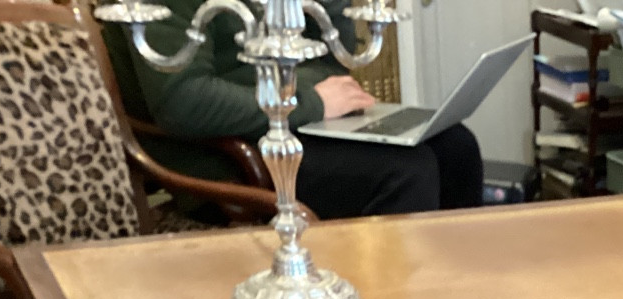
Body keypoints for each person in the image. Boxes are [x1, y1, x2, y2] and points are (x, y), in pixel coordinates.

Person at [103, 0, 484, 219]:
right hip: (223, 152)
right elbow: (183, 101)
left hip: (292, 121)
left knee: (455, 147)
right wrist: (311, 101)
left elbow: (333, 59)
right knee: (406, 172)